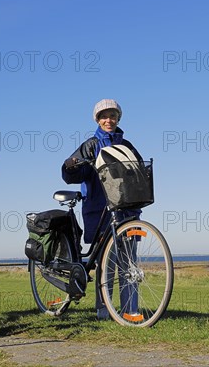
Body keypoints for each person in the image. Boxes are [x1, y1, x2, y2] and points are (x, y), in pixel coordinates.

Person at [61, 99, 141, 320]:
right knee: (107, 263)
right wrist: (70, 167)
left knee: (129, 264)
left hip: (126, 211)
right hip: (99, 210)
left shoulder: (127, 145)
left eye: (113, 115)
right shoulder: (91, 145)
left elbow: (140, 173)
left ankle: (130, 310)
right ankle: (104, 310)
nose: (109, 120)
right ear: (97, 119)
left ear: (118, 118)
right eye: (104, 116)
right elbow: (71, 172)